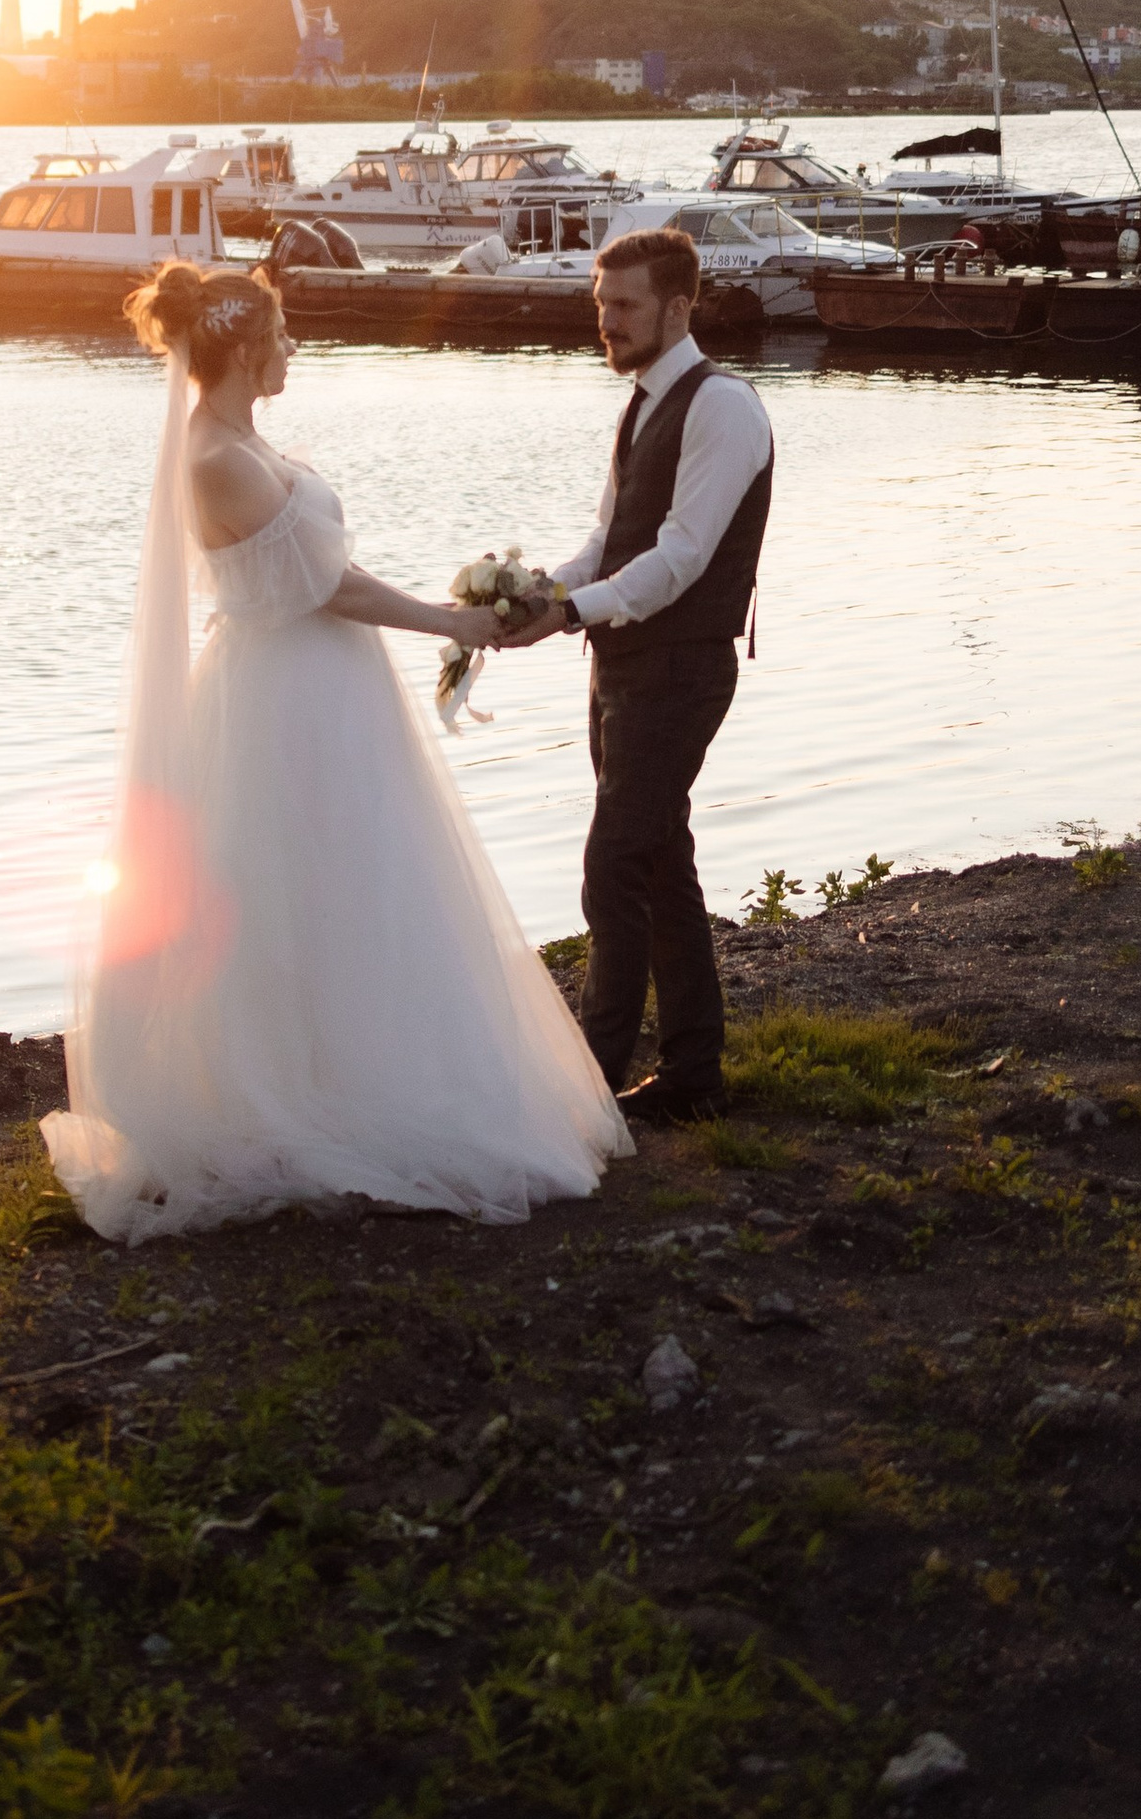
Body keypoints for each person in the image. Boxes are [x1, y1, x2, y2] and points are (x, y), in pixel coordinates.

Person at [42, 260, 633, 1242]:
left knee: (359, 883)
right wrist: (450, 620)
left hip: (327, 687)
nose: (292, 349)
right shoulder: (212, 460)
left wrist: (445, 610)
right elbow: (327, 590)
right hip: (280, 700)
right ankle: (292, 1093)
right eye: (280, 334)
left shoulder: (243, 440)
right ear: (240, 346)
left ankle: (362, 1066)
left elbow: (330, 568)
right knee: (291, 888)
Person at [497, 222, 773, 1124]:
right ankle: (694, 1075)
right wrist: (535, 591)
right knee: (657, 862)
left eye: (623, 306)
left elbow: (684, 556)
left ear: (678, 306)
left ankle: (587, 1091)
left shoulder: (724, 406)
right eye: (600, 305)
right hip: (621, 668)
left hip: (682, 670)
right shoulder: (642, 401)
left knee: (612, 866)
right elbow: (608, 545)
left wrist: (570, 612)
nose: (606, 322)